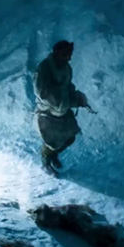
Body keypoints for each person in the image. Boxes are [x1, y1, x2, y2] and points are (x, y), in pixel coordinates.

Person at [33, 40, 90, 175]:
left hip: (62, 111)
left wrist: (77, 98)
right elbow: (42, 92)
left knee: (70, 138)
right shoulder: (44, 68)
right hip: (48, 112)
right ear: (56, 53)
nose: (69, 58)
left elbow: (68, 86)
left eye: (70, 55)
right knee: (52, 142)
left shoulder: (67, 68)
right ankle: (46, 162)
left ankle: (53, 155)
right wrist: (63, 101)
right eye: (65, 54)